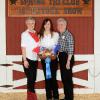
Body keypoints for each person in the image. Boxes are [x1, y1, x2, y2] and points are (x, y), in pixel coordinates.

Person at [39, 18, 59, 100]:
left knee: (53, 78)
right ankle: (48, 97)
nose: (47, 25)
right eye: (46, 24)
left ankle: (56, 96)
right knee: (47, 78)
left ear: (51, 25)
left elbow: (57, 46)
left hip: (53, 59)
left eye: (49, 24)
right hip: (44, 59)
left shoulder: (55, 34)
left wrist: (52, 52)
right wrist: (44, 52)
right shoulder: (40, 35)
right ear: (43, 25)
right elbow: (39, 47)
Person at [21, 17, 39, 100]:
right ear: (26, 24)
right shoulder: (24, 34)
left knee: (33, 78)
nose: (31, 25)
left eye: (33, 23)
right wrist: (24, 60)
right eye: (29, 23)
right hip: (27, 59)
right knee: (31, 78)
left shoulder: (36, 33)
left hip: (35, 59)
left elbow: (37, 46)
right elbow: (23, 47)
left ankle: (29, 97)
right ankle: (33, 97)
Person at [57, 18, 74, 100]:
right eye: (59, 24)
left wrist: (68, 62)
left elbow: (71, 49)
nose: (60, 26)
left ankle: (70, 98)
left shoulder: (68, 35)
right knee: (64, 78)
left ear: (65, 25)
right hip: (62, 57)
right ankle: (66, 97)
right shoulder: (59, 34)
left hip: (67, 57)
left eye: (62, 24)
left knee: (67, 79)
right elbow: (58, 47)